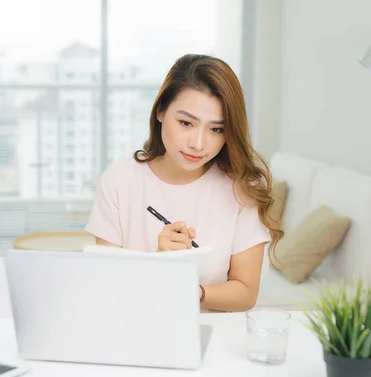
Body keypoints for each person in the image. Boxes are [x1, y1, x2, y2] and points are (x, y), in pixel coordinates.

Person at [85, 54, 282, 312]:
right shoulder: (119, 181)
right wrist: (159, 265)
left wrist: (188, 288)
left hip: (214, 330)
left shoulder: (242, 189)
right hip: (135, 324)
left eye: (216, 129)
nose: (198, 144)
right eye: (186, 123)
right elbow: (107, 283)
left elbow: (245, 293)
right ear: (160, 111)